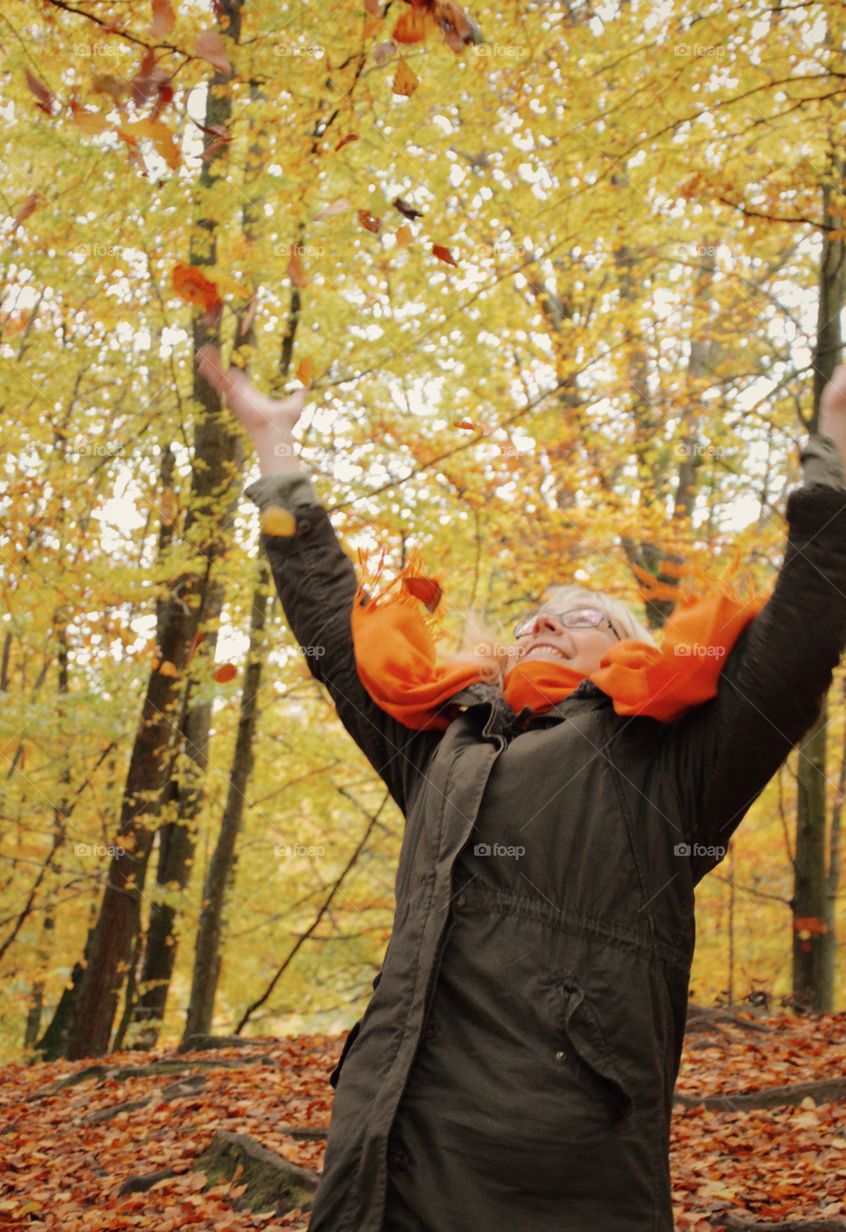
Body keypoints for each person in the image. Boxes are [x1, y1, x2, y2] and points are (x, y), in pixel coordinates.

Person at [199, 344, 846, 1232]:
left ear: (628, 649)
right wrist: (277, 457)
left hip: (552, 1176)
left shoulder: (661, 759)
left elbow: (793, 650)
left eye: (583, 616)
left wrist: (835, 459)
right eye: (537, 613)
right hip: (381, 1160)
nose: (547, 620)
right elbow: (327, 622)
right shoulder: (446, 748)